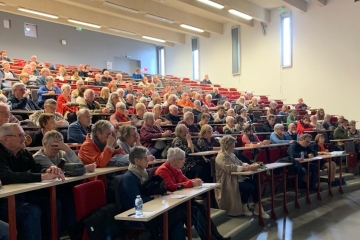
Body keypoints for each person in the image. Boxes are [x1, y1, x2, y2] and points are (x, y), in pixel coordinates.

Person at [0, 123, 65, 240]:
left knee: (53, 203)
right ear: (6, 138)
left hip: (19, 195)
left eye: (24, 135)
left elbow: (35, 167)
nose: (24, 138)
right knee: (32, 211)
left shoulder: (23, 152)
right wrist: (42, 176)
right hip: (3, 200)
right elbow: (7, 176)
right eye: (20, 135)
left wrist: (49, 170)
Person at [155, 147, 229, 240]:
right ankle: (208, 238)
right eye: (182, 159)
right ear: (174, 160)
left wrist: (195, 180)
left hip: (180, 199)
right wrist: (191, 183)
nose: (184, 161)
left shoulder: (176, 169)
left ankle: (217, 236)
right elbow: (171, 186)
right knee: (194, 211)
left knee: (201, 207)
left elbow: (185, 181)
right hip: (170, 203)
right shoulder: (163, 170)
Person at [118, 146, 185, 240]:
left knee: (176, 214)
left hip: (148, 209)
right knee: (174, 218)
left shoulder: (143, 174)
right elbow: (137, 201)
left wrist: (161, 193)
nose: (148, 160)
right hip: (136, 216)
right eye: (145, 158)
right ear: (136, 160)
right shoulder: (129, 178)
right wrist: (153, 197)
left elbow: (148, 192)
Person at [215, 135, 269, 218]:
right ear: (227, 146)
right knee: (249, 187)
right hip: (227, 181)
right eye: (232, 146)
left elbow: (240, 163)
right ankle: (244, 206)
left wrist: (250, 165)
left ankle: (258, 208)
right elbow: (231, 168)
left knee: (255, 183)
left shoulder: (231, 154)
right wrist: (247, 168)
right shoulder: (221, 156)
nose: (234, 147)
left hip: (236, 178)